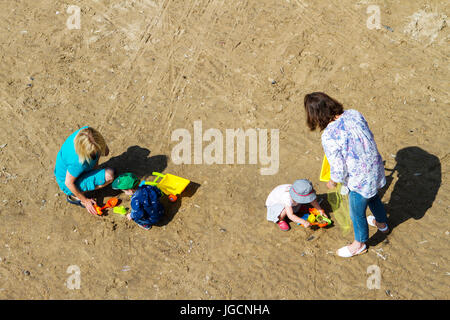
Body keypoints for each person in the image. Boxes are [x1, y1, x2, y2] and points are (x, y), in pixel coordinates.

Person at [304, 92, 388, 257]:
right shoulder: (354, 113)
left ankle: (359, 244)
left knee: (356, 213)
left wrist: (333, 181)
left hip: (359, 179)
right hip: (375, 169)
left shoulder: (329, 135)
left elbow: (338, 166)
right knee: (374, 197)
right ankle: (382, 224)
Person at [54, 126, 115, 216]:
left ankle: (89, 180)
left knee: (103, 157)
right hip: (68, 183)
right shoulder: (78, 162)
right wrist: (85, 201)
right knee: (109, 175)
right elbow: (68, 182)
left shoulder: (87, 132)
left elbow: (105, 152)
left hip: (77, 171)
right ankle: (76, 197)